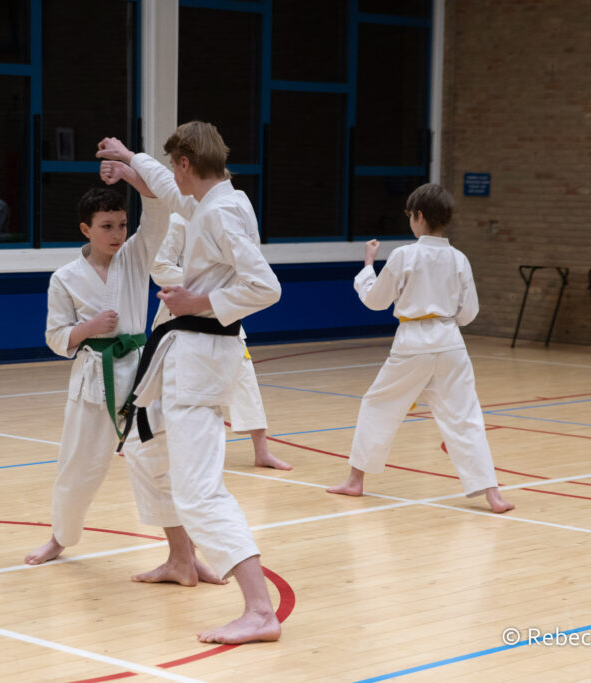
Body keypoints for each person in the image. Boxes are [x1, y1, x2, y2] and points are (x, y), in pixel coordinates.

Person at [97, 121, 282, 645]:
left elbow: (265, 286)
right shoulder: (216, 201)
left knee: (199, 491)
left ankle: (259, 610)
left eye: (171, 165)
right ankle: (182, 558)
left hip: (200, 353)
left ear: (185, 164)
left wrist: (194, 301)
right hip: (184, 353)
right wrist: (131, 156)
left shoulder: (221, 212)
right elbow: (166, 186)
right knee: (144, 448)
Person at [325, 183, 514, 514]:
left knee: (378, 406)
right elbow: (469, 313)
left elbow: (375, 301)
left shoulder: (404, 255)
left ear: (419, 216)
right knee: (465, 416)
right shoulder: (459, 259)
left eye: (411, 215)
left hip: (413, 342)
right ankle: (492, 494)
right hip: (451, 342)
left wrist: (367, 266)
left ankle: (356, 481)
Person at [23, 185, 172, 567]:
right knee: (78, 463)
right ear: (86, 230)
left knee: (161, 463)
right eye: (107, 226)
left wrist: (130, 170)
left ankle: (183, 555)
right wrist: (89, 327)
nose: (118, 234)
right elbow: (56, 338)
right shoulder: (65, 278)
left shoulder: (136, 257)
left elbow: (157, 215)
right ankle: (60, 537)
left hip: (142, 374)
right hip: (94, 377)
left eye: (122, 224)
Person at [149, 211, 291, 470]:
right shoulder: (179, 219)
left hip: (222, 313)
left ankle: (262, 451)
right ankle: (140, 440)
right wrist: (201, 286)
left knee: (245, 377)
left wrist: (224, 290)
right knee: (157, 383)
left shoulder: (229, 219)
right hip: (180, 315)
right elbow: (159, 267)